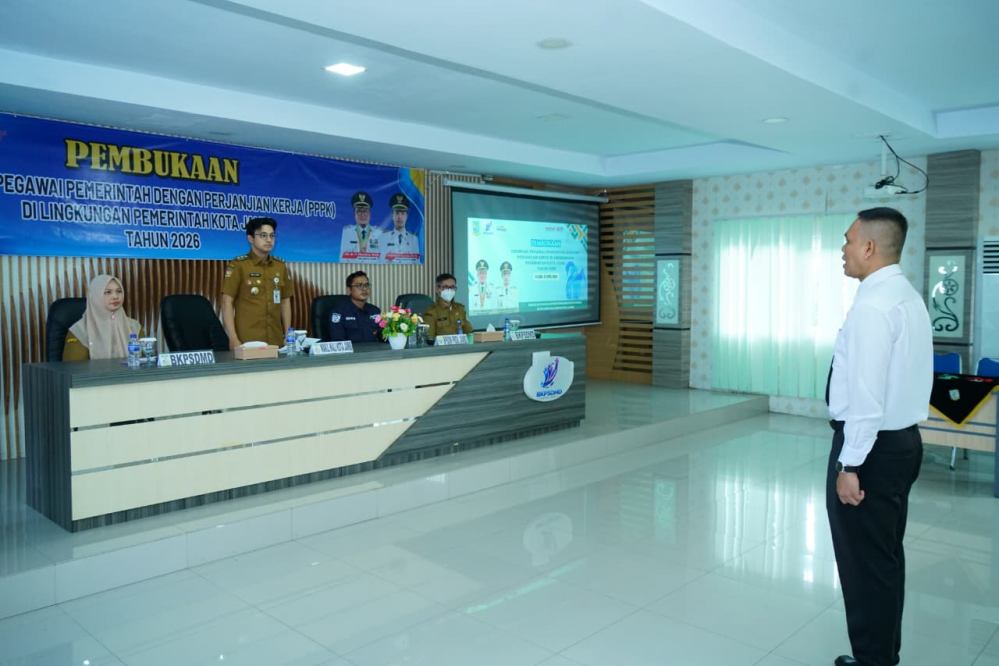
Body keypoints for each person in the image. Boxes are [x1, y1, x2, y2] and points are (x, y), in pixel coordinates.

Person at [826, 207, 932, 666]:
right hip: (901, 443)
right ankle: (882, 657)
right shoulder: (906, 296)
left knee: (864, 565)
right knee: (884, 558)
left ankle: (874, 661)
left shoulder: (872, 307)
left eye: (848, 240)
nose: (843, 250)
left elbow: (866, 399)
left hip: (870, 451)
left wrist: (850, 464)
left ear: (869, 247)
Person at [222, 217, 293, 348]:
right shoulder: (239, 265)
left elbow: (285, 301)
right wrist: (233, 338)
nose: (269, 240)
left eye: (272, 236)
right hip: (247, 341)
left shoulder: (280, 266)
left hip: (276, 340)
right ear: (250, 238)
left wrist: (288, 334)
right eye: (263, 235)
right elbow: (227, 302)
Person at [62, 274, 142, 361]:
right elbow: (73, 367)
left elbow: (147, 362)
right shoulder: (80, 331)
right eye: (108, 292)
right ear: (95, 296)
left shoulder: (134, 327)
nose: (115, 296)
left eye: (119, 291)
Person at [329, 271, 382, 343]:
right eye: (359, 285)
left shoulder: (375, 311)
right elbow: (338, 341)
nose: (364, 289)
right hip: (351, 350)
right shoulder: (339, 312)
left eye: (366, 285)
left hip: (374, 349)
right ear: (349, 290)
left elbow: (383, 337)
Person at [423, 272, 474, 341]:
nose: (450, 290)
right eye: (446, 287)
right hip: (442, 347)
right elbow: (429, 339)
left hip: (461, 346)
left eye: (452, 287)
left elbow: (470, 332)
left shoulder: (460, 309)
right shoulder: (431, 312)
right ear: (437, 289)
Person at [340, 191, 382, 260]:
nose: (362, 214)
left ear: (370, 213)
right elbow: (342, 258)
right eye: (359, 211)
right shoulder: (346, 232)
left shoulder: (379, 232)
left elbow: (382, 259)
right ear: (354, 214)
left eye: (365, 211)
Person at [383, 192, 420, 263]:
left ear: (407, 216)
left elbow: (417, 263)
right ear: (392, 215)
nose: (399, 217)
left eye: (402, 213)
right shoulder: (383, 238)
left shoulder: (414, 240)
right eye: (397, 213)